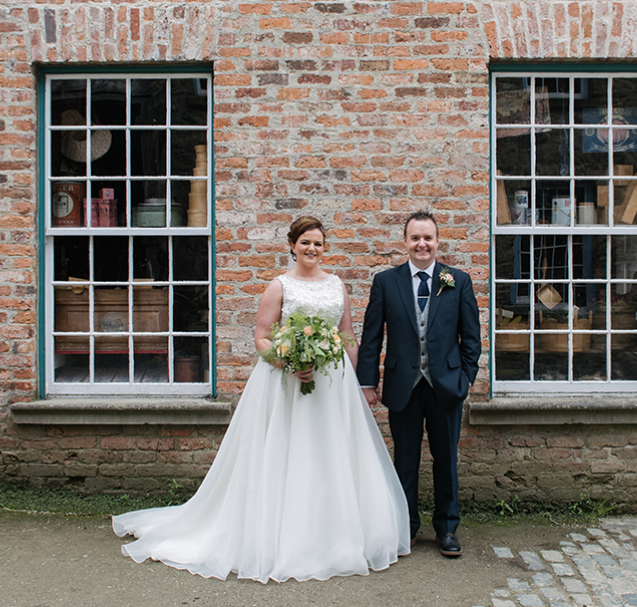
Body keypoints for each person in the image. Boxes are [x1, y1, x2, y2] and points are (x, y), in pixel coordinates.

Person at [113, 215, 410, 583]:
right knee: (291, 454)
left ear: (324, 247)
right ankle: (284, 536)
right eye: (305, 243)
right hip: (287, 384)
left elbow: (348, 334)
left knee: (332, 454)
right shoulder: (279, 286)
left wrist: (349, 379)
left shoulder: (337, 286)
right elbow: (262, 337)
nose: (312, 249)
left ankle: (335, 533)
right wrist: (288, 362)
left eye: (318, 243)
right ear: (292, 245)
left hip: (333, 387)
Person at [357, 211, 481, 558]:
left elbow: (471, 337)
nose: (422, 244)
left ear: (438, 241)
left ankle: (447, 528)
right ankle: (405, 526)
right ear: (405, 242)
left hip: (446, 386)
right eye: (415, 238)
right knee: (405, 460)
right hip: (403, 385)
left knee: (446, 459)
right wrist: (368, 382)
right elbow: (371, 338)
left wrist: (465, 378)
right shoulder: (386, 282)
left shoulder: (458, 280)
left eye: (428, 238)